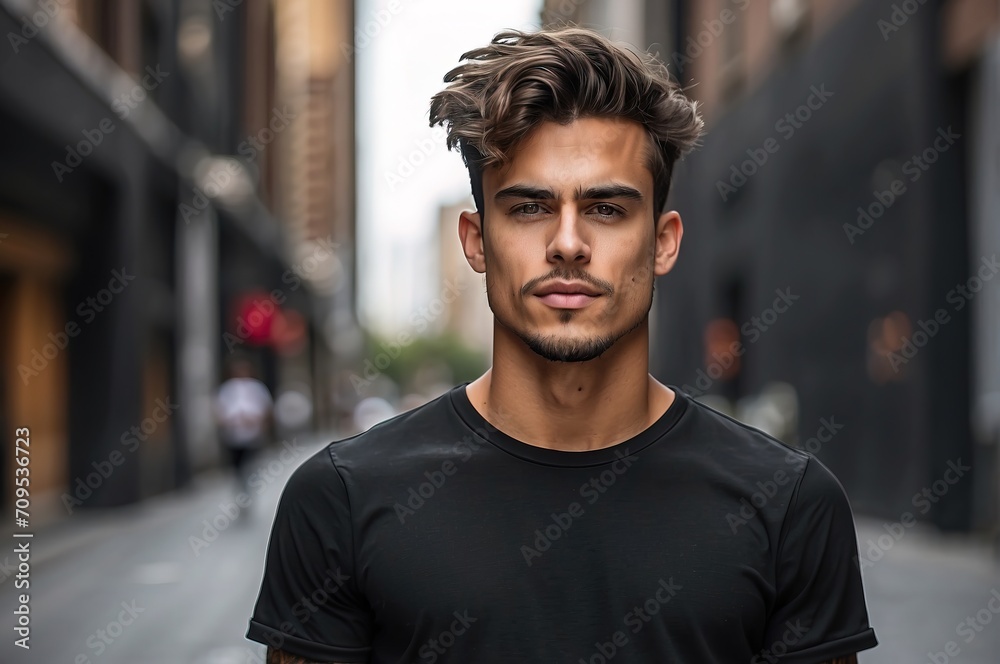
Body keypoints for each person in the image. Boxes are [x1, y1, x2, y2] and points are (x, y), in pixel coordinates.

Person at [247, 27, 878, 663]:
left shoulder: (789, 505)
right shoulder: (341, 499)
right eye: (528, 208)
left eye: (606, 209)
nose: (568, 244)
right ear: (476, 240)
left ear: (663, 241)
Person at [215, 356, 273, 498]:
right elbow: (219, 411)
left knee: (251, 464)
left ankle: (250, 488)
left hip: (253, 434)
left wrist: (257, 422)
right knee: (237, 466)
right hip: (233, 435)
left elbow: (267, 409)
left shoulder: (257, 388)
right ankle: (241, 489)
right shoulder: (226, 389)